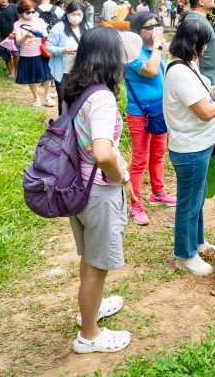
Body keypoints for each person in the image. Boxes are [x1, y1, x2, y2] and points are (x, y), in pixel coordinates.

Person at [61, 27, 136, 354]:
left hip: (76, 186)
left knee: (89, 257)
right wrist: (119, 174)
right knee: (97, 265)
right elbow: (102, 151)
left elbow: (85, 142)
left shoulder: (75, 88)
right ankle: (89, 335)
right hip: (98, 191)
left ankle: (90, 308)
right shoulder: (103, 97)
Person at [163, 19, 215, 275]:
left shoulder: (187, 64)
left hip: (198, 145)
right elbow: (206, 111)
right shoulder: (179, 71)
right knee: (189, 202)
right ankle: (185, 256)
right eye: (205, 45)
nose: (207, 50)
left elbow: (205, 88)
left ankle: (197, 242)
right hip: (189, 149)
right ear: (195, 43)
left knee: (197, 199)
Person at [124, 12, 176, 227]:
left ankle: (158, 192)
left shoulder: (154, 50)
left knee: (158, 154)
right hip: (140, 114)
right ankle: (135, 204)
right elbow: (152, 71)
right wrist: (157, 46)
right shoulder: (132, 53)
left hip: (158, 110)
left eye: (157, 25)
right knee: (139, 159)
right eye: (149, 27)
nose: (155, 30)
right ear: (137, 32)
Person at [48, 2, 89, 114]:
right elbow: (49, 47)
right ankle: (62, 124)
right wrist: (62, 50)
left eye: (79, 14)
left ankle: (77, 123)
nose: (77, 17)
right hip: (63, 70)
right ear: (67, 13)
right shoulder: (58, 28)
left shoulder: (88, 27)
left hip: (82, 69)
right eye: (73, 14)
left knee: (81, 97)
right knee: (63, 98)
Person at [12, 0, 55, 108]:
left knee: (47, 76)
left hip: (41, 53)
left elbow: (45, 33)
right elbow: (19, 41)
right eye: (28, 12)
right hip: (27, 54)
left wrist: (41, 34)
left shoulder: (39, 21)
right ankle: (36, 98)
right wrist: (27, 35)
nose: (31, 14)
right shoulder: (17, 24)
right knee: (31, 78)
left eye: (32, 12)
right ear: (22, 12)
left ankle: (47, 97)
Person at [182, 0, 215, 88]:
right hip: (205, 82)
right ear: (201, 1)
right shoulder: (195, 22)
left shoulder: (199, 19)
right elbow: (192, 56)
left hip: (210, 79)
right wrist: (199, 83)